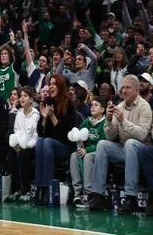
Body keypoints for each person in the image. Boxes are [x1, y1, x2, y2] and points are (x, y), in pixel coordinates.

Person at [89, 75, 152, 213]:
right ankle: (98, 194)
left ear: (136, 90)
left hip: (142, 150)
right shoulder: (119, 106)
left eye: (127, 87)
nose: (123, 91)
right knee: (102, 144)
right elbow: (110, 137)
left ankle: (131, 197)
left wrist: (123, 121)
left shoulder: (145, 107)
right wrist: (109, 120)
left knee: (130, 143)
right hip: (125, 149)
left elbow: (142, 135)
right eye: (122, 87)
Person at [34, 74, 76, 204]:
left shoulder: (69, 104)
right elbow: (41, 133)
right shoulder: (48, 102)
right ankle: (40, 187)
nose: (50, 86)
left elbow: (66, 134)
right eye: (50, 83)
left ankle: (49, 188)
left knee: (47, 142)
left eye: (54, 84)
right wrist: (44, 118)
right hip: (49, 145)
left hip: (65, 146)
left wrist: (52, 117)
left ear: (60, 86)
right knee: (40, 141)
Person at [70, 97, 106, 208]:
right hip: (85, 150)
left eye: (96, 105)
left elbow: (102, 142)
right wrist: (80, 146)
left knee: (88, 157)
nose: (92, 107)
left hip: (98, 152)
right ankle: (77, 192)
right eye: (91, 105)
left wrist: (87, 150)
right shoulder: (87, 121)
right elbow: (79, 135)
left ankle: (88, 193)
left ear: (102, 109)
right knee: (74, 156)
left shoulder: (105, 123)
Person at [6, 87, 39, 201]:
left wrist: (25, 146)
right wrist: (17, 145)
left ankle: (27, 189)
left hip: (31, 146)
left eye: (25, 96)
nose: (22, 98)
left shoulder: (35, 114)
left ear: (31, 99)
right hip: (19, 145)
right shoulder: (19, 113)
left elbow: (35, 136)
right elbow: (16, 131)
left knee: (23, 155)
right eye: (21, 96)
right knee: (11, 155)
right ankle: (16, 189)